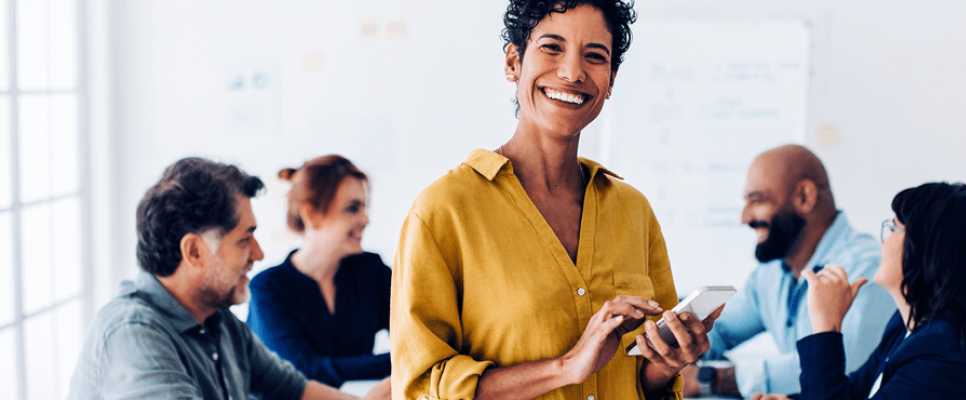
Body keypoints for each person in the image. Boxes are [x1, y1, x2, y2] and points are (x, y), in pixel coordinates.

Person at [390, 1, 721, 399]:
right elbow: (421, 388)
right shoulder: (443, 212)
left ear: (611, 79)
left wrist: (666, 367)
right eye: (552, 47)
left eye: (595, 56)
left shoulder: (634, 212)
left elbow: (641, 383)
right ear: (513, 62)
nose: (572, 72)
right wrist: (565, 367)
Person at [68, 158, 358, 400]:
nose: (258, 254)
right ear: (194, 251)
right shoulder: (132, 333)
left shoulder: (216, 318)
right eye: (245, 240)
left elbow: (294, 389)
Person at [751, 182, 966, 399]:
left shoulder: (944, 354)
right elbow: (856, 391)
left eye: (894, 228)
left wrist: (826, 327)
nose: (883, 240)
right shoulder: (905, 326)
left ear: (928, 251)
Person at [682, 145, 896, 398]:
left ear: (804, 197)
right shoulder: (772, 273)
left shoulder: (866, 269)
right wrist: (683, 345)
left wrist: (712, 380)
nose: (744, 217)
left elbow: (843, 362)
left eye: (757, 200)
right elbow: (721, 328)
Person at [247, 155, 392, 397]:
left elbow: (417, 346)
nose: (365, 219)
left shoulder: (372, 271)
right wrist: (393, 364)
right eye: (352, 208)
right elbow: (302, 373)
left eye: (365, 207)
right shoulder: (267, 288)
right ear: (311, 214)